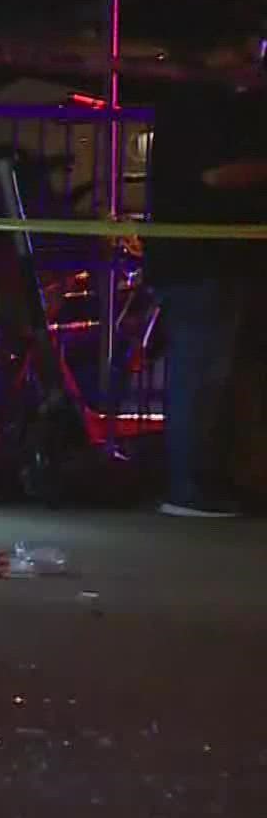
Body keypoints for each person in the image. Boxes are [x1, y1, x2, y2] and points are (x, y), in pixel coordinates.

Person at [145, 28, 267, 518]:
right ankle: (189, 486)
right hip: (200, 261)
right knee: (201, 376)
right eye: (245, 51)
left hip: (210, 259)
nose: (252, 64)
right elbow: (215, 175)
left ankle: (204, 479)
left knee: (211, 376)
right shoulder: (199, 104)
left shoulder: (200, 101)